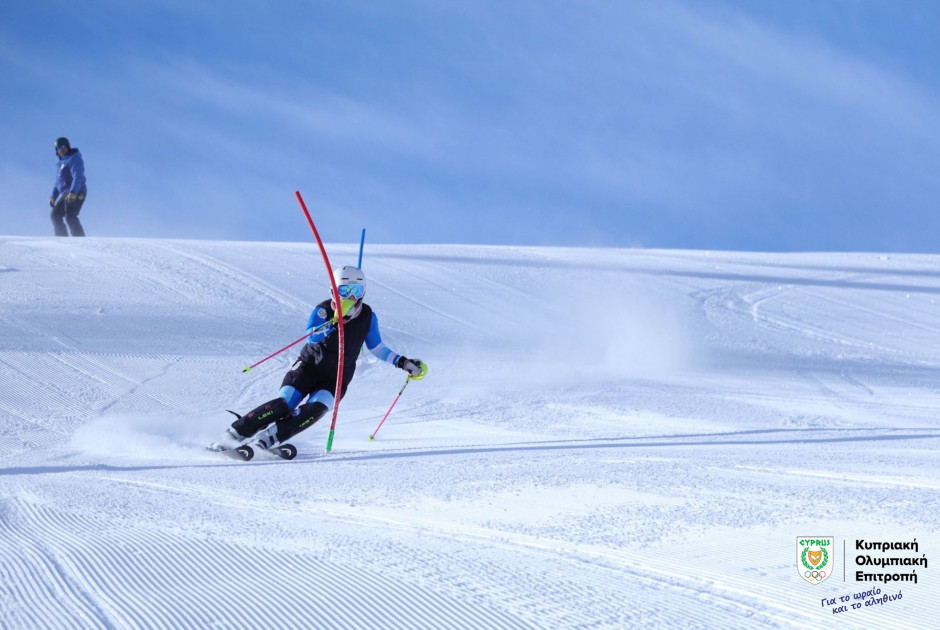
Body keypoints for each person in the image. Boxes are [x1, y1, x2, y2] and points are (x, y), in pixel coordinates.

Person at [210, 265, 428, 452]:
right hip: (308, 368)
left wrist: (404, 363)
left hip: (336, 378)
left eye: (356, 290)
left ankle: (266, 441)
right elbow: (312, 337)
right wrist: (334, 322)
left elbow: (377, 348)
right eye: (345, 289)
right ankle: (232, 436)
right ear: (334, 290)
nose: (350, 296)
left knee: (316, 409)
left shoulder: (368, 316)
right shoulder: (323, 310)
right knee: (285, 404)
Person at [50, 137, 87, 237]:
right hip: (66, 193)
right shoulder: (61, 163)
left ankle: (80, 240)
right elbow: (58, 182)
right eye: (58, 148)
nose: (61, 149)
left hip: (77, 191)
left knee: (70, 216)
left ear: (67, 147)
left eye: (62, 146)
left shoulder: (74, 158)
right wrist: (53, 196)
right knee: (55, 215)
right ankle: (62, 239)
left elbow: (78, 176)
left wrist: (73, 192)